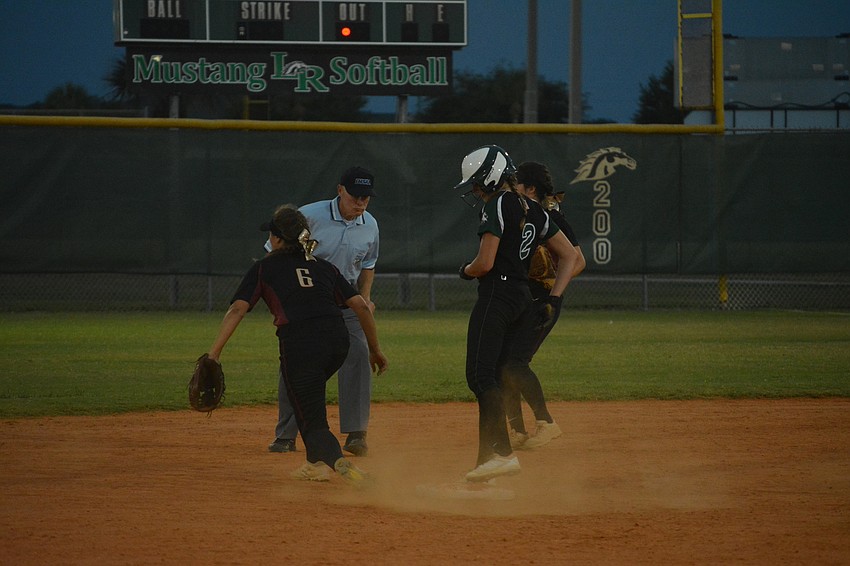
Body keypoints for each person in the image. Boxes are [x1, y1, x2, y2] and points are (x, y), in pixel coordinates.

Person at [208, 204, 388, 486]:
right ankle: (313, 464)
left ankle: (336, 461)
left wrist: (214, 353)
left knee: (309, 415)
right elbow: (362, 308)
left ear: (277, 239)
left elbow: (237, 310)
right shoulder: (324, 267)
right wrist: (375, 350)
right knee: (309, 396)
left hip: (301, 346)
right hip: (337, 343)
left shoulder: (264, 268)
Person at [454, 145, 580, 483]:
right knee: (494, 374)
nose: (476, 190)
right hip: (523, 297)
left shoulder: (498, 203)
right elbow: (570, 256)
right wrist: (554, 298)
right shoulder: (536, 209)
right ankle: (488, 464)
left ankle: (500, 454)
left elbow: (486, 262)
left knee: (480, 377)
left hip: (497, 294)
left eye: (478, 183)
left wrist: (465, 270)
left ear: (492, 176)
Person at [268, 166, 380, 457]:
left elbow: (368, 264)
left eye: (366, 198)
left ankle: (356, 433)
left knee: (358, 355)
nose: (361, 203)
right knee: (297, 364)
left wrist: (365, 297)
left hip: (348, 302)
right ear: (340, 190)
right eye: (356, 196)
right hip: (308, 304)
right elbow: (276, 252)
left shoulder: (370, 225)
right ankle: (286, 435)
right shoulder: (310, 216)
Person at [501, 161, 586, 450]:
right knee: (505, 363)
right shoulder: (524, 215)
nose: (513, 190)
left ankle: (546, 423)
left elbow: (577, 259)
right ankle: (517, 431)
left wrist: (552, 288)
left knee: (514, 363)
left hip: (544, 302)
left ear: (531, 188)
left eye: (518, 185)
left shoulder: (551, 216)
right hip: (526, 298)